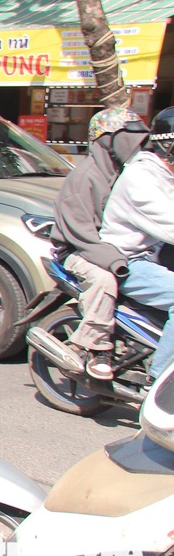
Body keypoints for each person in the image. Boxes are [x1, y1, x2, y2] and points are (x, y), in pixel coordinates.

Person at [50, 108, 149, 380]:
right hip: (79, 251)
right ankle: (97, 347)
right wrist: (113, 260)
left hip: (113, 250)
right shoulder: (85, 177)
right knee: (104, 280)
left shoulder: (127, 173)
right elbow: (80, 233)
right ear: (107, 139)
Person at [100, 110, 174, 380]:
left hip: (155, 258)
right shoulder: (141, 179)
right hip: (128, 262)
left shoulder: (166, 175)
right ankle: (161, 381)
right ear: (169, 145)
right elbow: (170, 224)